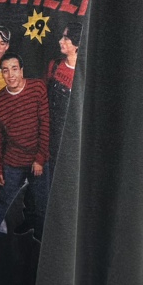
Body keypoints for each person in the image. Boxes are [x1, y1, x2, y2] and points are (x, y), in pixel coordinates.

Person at [0, 53, 50, 252]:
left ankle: (43, 244)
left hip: (38, 158)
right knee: (1, 201)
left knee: (42, 203)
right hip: (13, 161)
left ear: (21, 70)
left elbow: (45, 125)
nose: (10, 75)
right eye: (5, 71)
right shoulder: (0, 100)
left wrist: (40, 159)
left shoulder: (37, 88)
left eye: (14, 69)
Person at [46, 22, 81, 173]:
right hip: (49, 133)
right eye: (62, 37)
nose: (61, 41)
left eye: (66, 38)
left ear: (77, 44)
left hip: (70, 138)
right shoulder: (54, 65)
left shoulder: (83, 73)